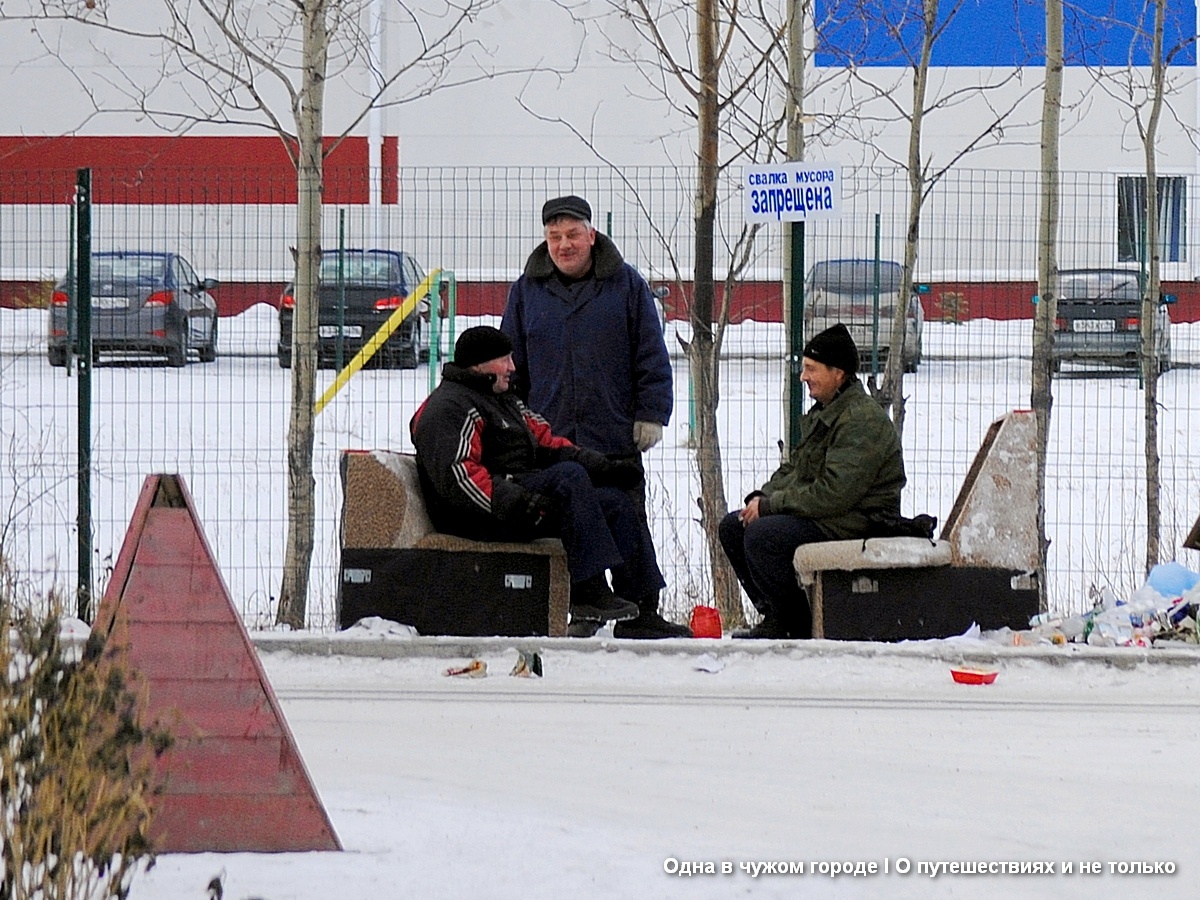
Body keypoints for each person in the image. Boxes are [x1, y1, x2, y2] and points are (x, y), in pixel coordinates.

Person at [501, 194, 689, 639]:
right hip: (553, 439)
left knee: (626, 515)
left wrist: (651, 413)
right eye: (554, 236)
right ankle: (585, 604)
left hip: (613, 433)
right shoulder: (527, 291)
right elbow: (511, 367)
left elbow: (651, 355)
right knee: (571, 519)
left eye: (572, 235)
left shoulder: (626, 285)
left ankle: (641, 611)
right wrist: (519, 423)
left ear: (591, 235)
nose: (564, 245)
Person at [410, 325, 669, 628]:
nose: (512, 367)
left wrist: (605, 467)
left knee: (615, 502)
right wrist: (517, 501)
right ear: (479, 365)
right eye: (504, 359)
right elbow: (459, 477)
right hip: (483, 514)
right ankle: (587, 591)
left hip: (518, 498)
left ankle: (642, 614)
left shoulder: (502, 398)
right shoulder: (449, 407)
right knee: (567, 478)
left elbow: (547, 442)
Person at [719, 323, 906, 639]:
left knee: (763, 535)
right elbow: (795, 470)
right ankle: (776, 615)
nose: (803, 376)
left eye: (811, 369)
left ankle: (793, 623)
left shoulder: (860, 420)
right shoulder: (828, 411)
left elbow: (835, 493)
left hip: (859, 520)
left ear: (838, 373)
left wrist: (771, 506)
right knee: (733, 526)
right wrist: (761, 498)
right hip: (834, 515)